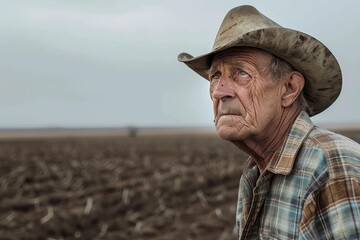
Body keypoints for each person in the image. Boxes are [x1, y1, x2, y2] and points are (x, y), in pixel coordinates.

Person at [178, 5, 360, 240]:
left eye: (241, 73)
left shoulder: (333, 170)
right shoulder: (256, 172)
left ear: (289, 89)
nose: (219, 92)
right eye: (215, 76)